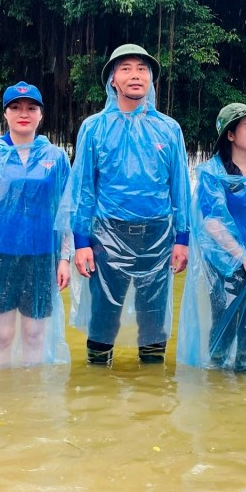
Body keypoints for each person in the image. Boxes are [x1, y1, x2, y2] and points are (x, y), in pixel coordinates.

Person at [70, 44, 190, 366]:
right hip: (106, 236)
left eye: (142, 69)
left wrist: (183, 239)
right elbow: (82, 189)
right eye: (125, 68)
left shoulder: (169, 128)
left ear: (150, 79)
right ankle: (97, 386)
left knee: (154, 320)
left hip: (158, 235)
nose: (135, 75)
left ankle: (152, 389)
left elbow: (180, 187)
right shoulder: (93, 127)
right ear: (113, 80)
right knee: (103, 315)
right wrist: (81, 243)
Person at [0, 82, 72, 369]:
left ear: (41, 115)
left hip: (42, 256)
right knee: (2, 334)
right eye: (16, 108)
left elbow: (66, 211)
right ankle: (1, 397)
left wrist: (65, 258)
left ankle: (30, 401)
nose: (24, 113)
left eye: (31, 108)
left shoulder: (55, 158)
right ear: (5, 113)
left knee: (35, 334)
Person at [177, 102, 246, 371]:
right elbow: (214, 224)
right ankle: (217, 390)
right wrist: (245, 260)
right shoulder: (212, 174)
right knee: (223, 329)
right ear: (230, 135)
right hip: (227, 266)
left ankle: (242, 392)